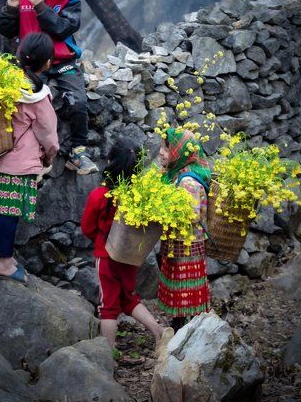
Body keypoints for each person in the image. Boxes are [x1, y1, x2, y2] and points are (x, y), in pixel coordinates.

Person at [0, 0, 98, 176]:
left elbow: (63, 29)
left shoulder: (71, 0)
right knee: (22, 104)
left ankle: (78, 152)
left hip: (63, 62)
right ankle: (28, 153)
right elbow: (6, 31)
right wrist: (11, 7)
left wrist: (41, 6)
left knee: (78, 101)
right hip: (31, 65)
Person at [0, 32, 59, 283]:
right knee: (10, 213)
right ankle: (5, 264)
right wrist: (49, 158)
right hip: (20, 164)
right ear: (47, 62)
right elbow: (49, 135)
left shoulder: (5, 85)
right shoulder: (37, 96)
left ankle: (0, 258)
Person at [80, 137, 165, 348]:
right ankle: (159, 331)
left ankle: (108, 354)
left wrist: (99, 240)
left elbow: (87, 228)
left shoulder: (99, 195)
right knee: (129, 298)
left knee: (108, 307)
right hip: (128, 256)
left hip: (106, 257)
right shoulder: (138, 197)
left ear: (110, 161)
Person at [157, 127, 211, 330]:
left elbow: (193, 215)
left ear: (180, 152)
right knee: (179, 294)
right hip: (177, 244)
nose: (161, 152)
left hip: (187, 247)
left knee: (186, 294)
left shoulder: (188, 181)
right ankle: (180, 328)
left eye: (166, 148)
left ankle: (189, 332)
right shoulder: (174, 175)